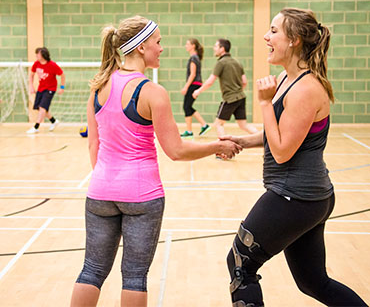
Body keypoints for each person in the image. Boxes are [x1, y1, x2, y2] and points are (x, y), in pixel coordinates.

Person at [70, 15, 241, 307]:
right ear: (141, 47)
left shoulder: (99, 86)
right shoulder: (152, 92)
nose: (161, 48)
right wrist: (217, 145)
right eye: (158, 42)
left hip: (99, 192)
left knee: (92, 270)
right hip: (141, 195)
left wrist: (107, 182)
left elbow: (93, 144)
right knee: (134, 277)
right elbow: (176, 150)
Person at [222, 8, 367, 307]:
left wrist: (264, 103)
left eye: (274, 31)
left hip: (296, 197)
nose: (266, 36)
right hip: (306, 197)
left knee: (240, 265)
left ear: (295, 40)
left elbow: (282, 151)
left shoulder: (306, 89)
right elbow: (282, 133)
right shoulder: (287, 79)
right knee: (313, 282)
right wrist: (243, 141)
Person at [192, 38, 257, 137]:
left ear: (222, 48)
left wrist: (198, 91)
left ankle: (223, 145)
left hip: (230, 99)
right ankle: (263, 139)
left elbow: (210, 81)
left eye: (216, 46)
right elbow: (244, 82)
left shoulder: (221, 63)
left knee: (218, 124)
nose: (214, 48)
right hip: (241, 97)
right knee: (243, 125)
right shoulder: (237, 62)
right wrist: (237, 91)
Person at [26, 47, 65, 134]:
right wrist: (31, 86)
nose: (36, 55)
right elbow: (31, 75)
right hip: (41, 88)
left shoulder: (52, 65)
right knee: (39, 108)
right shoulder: (36, 64)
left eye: (38, 54)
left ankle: (36, 127)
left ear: (43, 55)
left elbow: (62, 75)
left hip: (50, 89)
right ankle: (53, 121)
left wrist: (62, 87)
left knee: (42, 107)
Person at [180, 38, 210, 138]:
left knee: (186, 107)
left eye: (187, 44)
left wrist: (186, 87)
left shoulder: (193, 58)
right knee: (188, 107)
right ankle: (204, 125)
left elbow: (192, 74)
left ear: (193, 46)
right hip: (196, 84)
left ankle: (190, 131)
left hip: (193, 84)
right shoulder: (196, 57)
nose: (186, 46)